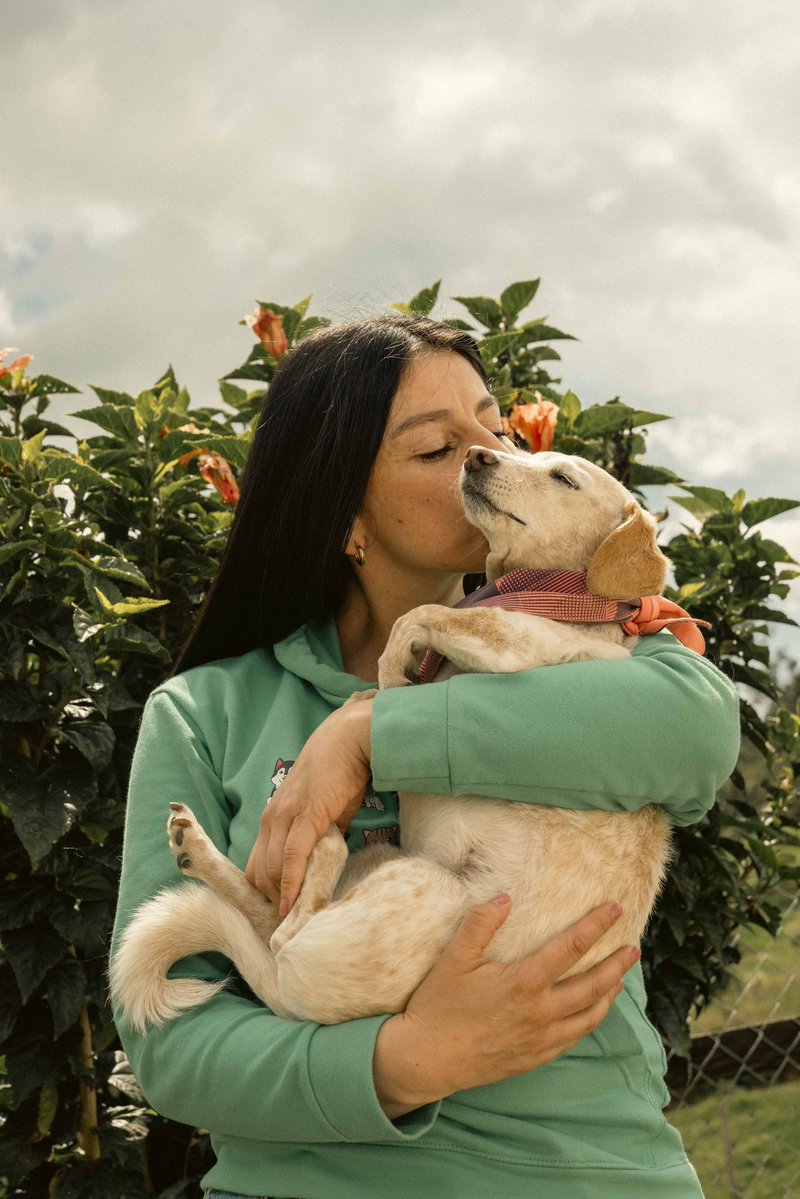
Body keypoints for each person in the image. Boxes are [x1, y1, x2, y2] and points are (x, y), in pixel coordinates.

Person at [109, 314, 741, 1199]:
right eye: (438, 446)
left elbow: (698, 735)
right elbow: (171, 1042)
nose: (488, 455)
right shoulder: (208, 712)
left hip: (592, 1171)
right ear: (344, 507)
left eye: (495, 426)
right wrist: (401, 1063)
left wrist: (371, 733)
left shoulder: (611, 634)